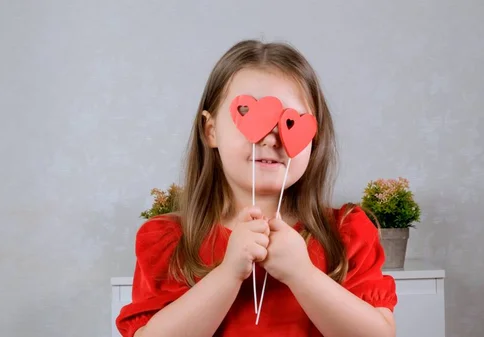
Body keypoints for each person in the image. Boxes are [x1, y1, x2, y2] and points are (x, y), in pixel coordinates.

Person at [116, 39, 397, 337]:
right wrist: (228, 274)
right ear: (211, 131)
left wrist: (303, 275)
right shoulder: (169, 239)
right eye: (250, 115)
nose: (270, 138)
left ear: (313, 138)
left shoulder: (347, 232)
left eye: (290, 121)